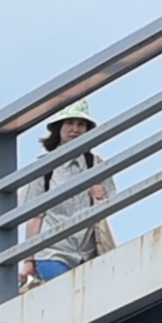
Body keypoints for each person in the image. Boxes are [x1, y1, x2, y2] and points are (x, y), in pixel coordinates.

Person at [20, 108, 108, 285]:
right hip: (52, 252)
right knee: (68, 292)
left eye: (81, 124)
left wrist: (101, 197)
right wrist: (28, 261)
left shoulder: (96, 164)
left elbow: (108, 205)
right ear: (59, 128)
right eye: (69, 123)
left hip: (87, 253)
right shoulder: (44, 168)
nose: (75, 129)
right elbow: (34, 218)